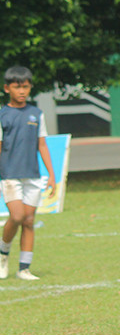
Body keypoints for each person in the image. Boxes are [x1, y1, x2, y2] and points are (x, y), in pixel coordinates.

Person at [0, 66, 55, 281]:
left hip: (32, 174)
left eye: (25, 87)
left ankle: (24, 268)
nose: (22, 91)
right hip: (10, 174)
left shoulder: (36, 114)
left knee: (29, 220)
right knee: (17, 216)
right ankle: (3, 254)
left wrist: (51, 174)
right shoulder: (3, 115)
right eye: (17, 87)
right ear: (7, 88)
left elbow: (42, 145)